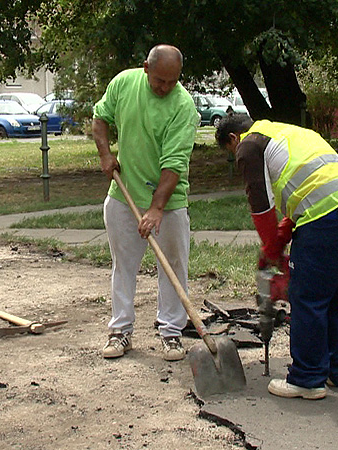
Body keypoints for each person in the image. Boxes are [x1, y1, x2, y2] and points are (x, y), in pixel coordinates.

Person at [216, 115, 338, 400]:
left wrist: (271, 250)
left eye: (231, 150)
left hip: (322, 218)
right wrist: (281, 237)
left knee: (307, 298)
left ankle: (307, 378)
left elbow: (261, 207)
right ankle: (336, 369)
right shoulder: (289, 133)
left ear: (233, 138)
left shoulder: (248, 145)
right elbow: (308, 191)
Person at [93, 45, 200, 361]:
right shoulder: (124, 83)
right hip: (123, 196)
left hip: (170, 201)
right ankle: (120, 331)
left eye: (172, 81)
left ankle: (171, 333)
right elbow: (100, 119)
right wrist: (105, 154)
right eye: (159, 81)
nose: (165, 88)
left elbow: (174, 163)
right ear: (146, 68)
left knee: (173, 266)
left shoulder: (183, 106)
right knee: (123, 265)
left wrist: (157, 208)